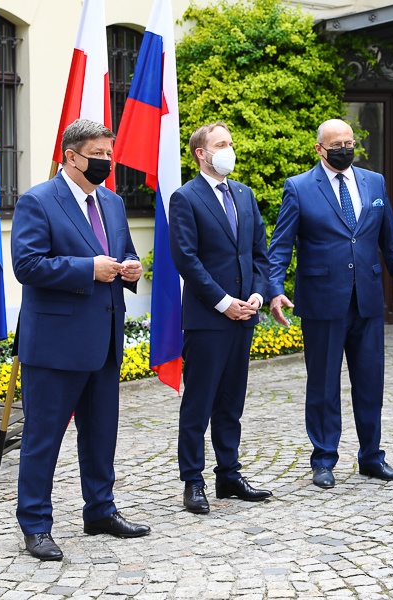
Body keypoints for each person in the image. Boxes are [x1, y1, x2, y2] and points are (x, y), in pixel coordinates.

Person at [11, 119, 150, 561]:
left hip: (104, 338)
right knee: (43, 439)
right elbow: (28, 265)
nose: (106, 162)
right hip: (54, 344)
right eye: (98, 154)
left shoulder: (111, 201)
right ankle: (35, 525)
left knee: (101, 435)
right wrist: (89, 269)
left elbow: (122, 252)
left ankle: (100, 511)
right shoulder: (38, 200)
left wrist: (131, 269)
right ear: (71, 156)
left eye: (110, 154)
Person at [268, 118, 393, 489]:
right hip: (322, 302)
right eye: (337, 144)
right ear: (320, 148)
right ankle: (323, 459)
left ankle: (371, 457)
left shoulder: (374, 182)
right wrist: (274, 288)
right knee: (322, 384)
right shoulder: (299, 188)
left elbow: (391, 241)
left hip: (367, 299)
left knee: (370, 383)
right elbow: (281, 244)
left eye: (349, 142)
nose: (345, 149)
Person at [169, 122, 272, 514]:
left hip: (245, 315)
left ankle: (229, 474)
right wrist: (224, 301)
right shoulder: (186, 198)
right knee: (199, 402)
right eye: (221, 144)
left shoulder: (244, 195)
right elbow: (187, 260)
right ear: (201, 153)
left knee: (231, 403)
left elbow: (259, 251)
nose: (229, 149)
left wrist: (258, 294)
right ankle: (193, 481)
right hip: (208, 318)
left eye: (230, 143)